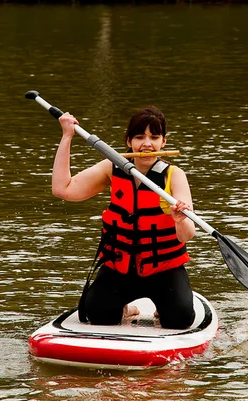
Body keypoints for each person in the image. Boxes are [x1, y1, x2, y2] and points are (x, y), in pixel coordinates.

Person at [52, 105, 196, 330]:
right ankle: (126, 308)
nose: (146, 144)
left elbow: (188, 235)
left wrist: (180, 220)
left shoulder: (174, 175)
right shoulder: (112, 168)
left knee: (180, 319)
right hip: (120, 267)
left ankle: (163, 307)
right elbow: (63, 189)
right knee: (98, 314)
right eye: (139, 137)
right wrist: (67, 137)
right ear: (128, 141)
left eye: (154, 137)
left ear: (163, 142)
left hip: (164, 270)